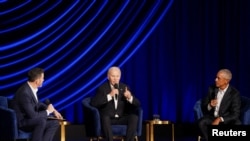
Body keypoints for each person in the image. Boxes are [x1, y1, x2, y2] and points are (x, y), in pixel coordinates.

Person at [11, 67, 63, 141]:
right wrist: (47, 111)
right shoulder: (24, 93)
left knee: (54, 123)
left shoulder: (30, 88)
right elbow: (33, 116)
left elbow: (38, 104)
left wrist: (53, 110)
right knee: (41, 120)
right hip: (23, 122)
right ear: (37, 81)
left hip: (29, 119)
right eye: (42, 78)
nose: (43, 80)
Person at [90, 66, 141, 141]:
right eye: (113, 76)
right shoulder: (102, 88)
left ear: (120, 77)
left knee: (134, 117)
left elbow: (138, 104)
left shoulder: (124, 87)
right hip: (108, 119)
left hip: (120, 118)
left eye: (117, 76)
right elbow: (94, 103)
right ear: (108, 77)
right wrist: (110, 95)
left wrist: (130, 97)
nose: (115, 79)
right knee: (105, 117)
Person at [198, 69, 241, 141]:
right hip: (213, 117)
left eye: (218, 78)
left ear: (226, 81)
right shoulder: (211, 89)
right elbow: (204, 106)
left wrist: (220, 119)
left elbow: (235, 114)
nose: (215, 79)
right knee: (201, 122)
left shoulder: (234, 93)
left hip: (226, 120)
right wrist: (210, 105)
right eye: (216, 77)